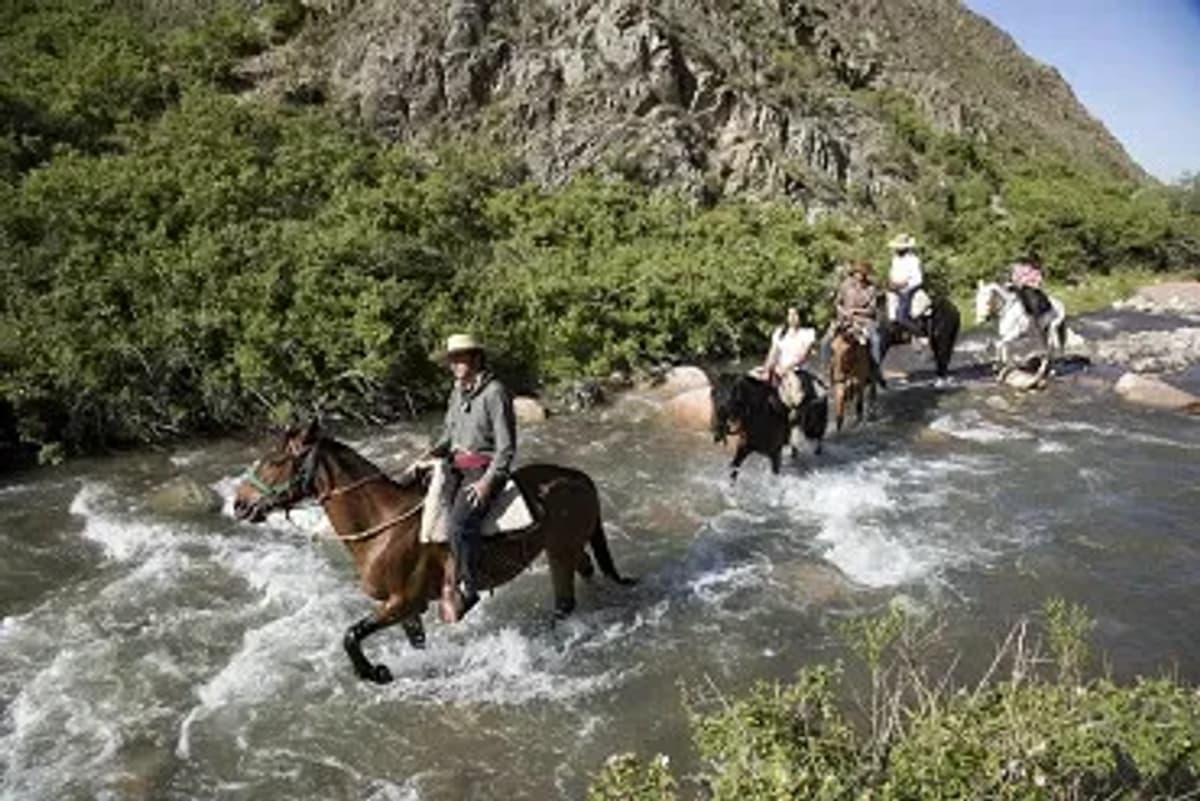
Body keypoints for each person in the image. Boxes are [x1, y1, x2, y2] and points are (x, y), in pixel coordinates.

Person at [429, 333, 517, 619]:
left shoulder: (495, 393)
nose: (454, 364)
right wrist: (429, 454)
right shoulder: (456, 392)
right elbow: (447, 435)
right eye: (451, 359)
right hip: (456, 466)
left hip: (483, 468)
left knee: (457, 523)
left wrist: (487, 482)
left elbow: (506, 447)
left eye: (459, 358)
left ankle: (470, 586)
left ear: (476, 358)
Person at [832, 261, 885, 388]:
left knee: (875, 340)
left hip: (865, 320)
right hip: (845, 320)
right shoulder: (845, 285)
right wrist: (844, 312)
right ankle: (828, 372)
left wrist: (856, 311)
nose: (859, 275)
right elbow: (837, 303)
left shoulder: (871, 288)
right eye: (857, 273)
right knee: (826, 341)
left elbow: (872, 309)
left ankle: (875, 371)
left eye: (862, 273)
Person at [763, 305, 817, 410]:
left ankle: (794, 413)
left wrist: (785, 368)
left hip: (798, 371)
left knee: (793, 389)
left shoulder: (808, 333)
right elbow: (773, 353)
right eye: (790, 314)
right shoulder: (779, 333)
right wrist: (766, 369)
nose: (792, 318)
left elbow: (802, 356)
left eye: (795, 314)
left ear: (801, 316)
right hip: (779, 369)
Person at [887, 233, 924, 337]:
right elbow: (892, 274)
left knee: (902, 316)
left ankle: (919, 333)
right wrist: (892, 282)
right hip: (894, 288)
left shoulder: (913, 260)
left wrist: (904, 284)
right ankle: (892, 327)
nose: (898, 250)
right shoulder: (895, 260)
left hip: (907, 289)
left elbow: (918, 279)